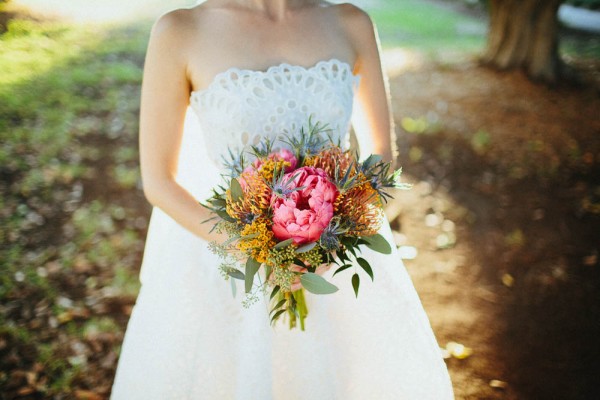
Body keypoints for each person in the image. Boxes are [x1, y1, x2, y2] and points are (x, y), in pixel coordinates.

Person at [110, 0, 454, 398]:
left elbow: (382, 157)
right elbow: (158, 181)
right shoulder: (181, 31)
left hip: (334, 265)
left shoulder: (351, 23)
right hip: (226, 266)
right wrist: (260, 251)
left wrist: (331, 239)